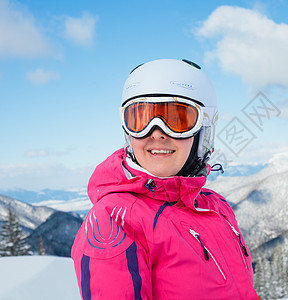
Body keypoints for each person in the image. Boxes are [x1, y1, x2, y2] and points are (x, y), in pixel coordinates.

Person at [71, 59, 259, 299]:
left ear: (203, 129)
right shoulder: (114, 220)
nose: (157, 132)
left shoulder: (215, 205)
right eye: (140, 119)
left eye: (177, 119)